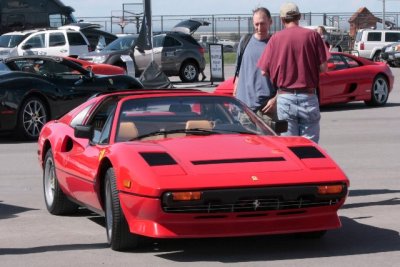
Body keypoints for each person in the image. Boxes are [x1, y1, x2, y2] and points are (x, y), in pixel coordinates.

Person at [257, 2, 328, 143]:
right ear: (299, 17)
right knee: (310, 147)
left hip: (285, 97)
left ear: (282, 20)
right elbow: (323, 68)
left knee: (290, 145)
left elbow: (263, 72)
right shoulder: (313, 36)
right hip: (308, 96)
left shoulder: (275, 39)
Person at [233, 7, 276, 122]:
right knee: (246, 140)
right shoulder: (244, 42)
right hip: (245, 109)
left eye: (263, 24)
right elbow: (238, 72)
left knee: (269, 140)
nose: (259, 28)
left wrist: (276, 99)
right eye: (256, 24)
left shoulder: (276, 45)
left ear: (270, 22)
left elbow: (284, 78)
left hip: (267, 109)